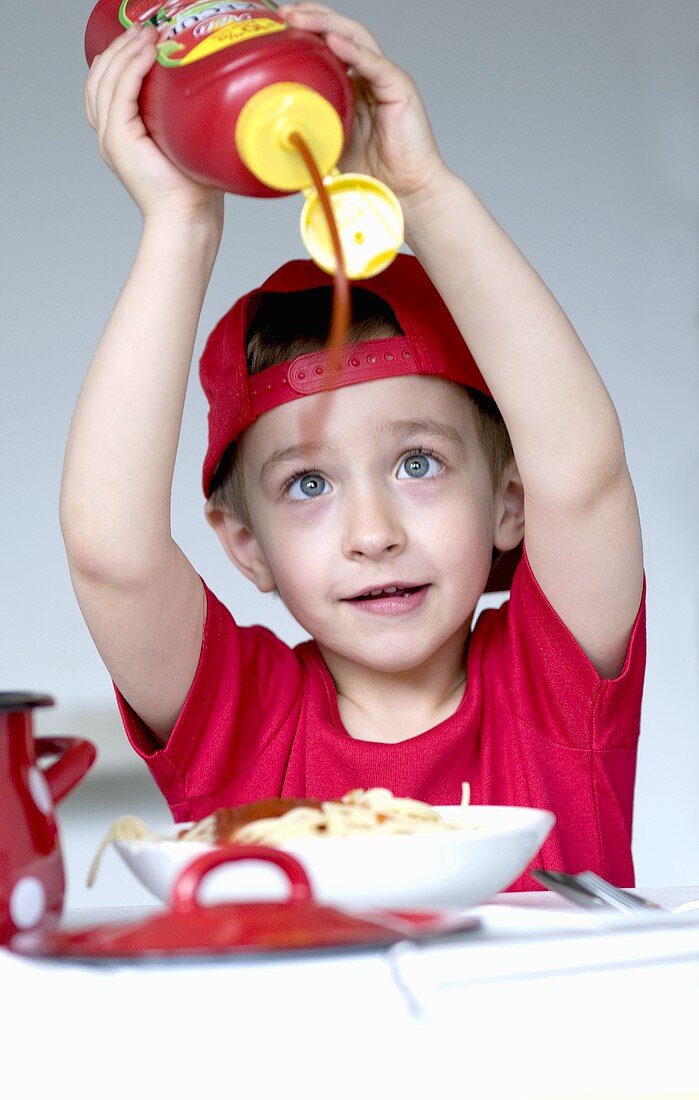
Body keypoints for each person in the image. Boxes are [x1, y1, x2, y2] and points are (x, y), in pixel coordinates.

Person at [62, 3, 645, 889]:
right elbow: (113, 556)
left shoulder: (549, 690)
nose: (371, 533)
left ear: (510, 502)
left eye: (419, 463)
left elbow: (585, 479)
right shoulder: (244, 721)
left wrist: (424, 197)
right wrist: (180, 227)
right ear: (245, 543)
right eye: (306, 485)